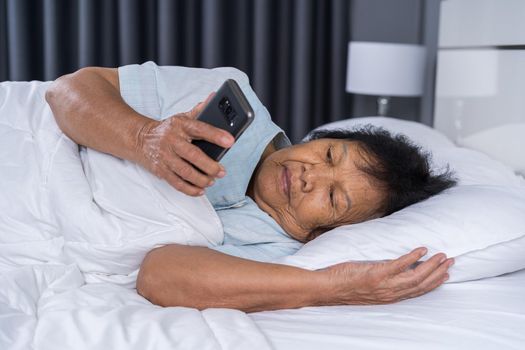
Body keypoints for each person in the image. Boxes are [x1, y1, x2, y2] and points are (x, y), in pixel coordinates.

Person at [45, 62, 456, 313]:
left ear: (329, 232)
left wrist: (333, 287)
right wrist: (144, 138)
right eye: (329, 155)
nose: (309, 175)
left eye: (332, 198)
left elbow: (159, 275)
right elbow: (66, 90)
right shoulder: (230, 98)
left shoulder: (281, 250)